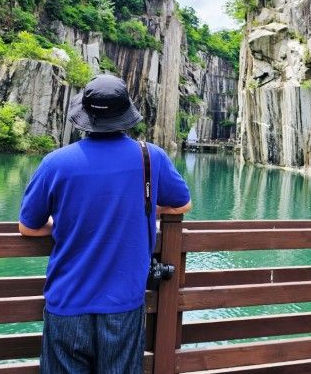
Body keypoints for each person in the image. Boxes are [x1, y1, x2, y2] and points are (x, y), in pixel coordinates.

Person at [18, 74, 191, 373]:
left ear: (84, 117)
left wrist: (61, 224)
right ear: (125, 116)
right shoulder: (152, 158)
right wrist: (143, 210)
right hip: (123, 305)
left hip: (67, 303)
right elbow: (182, 203)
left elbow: (28, 227)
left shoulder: (55, 163)